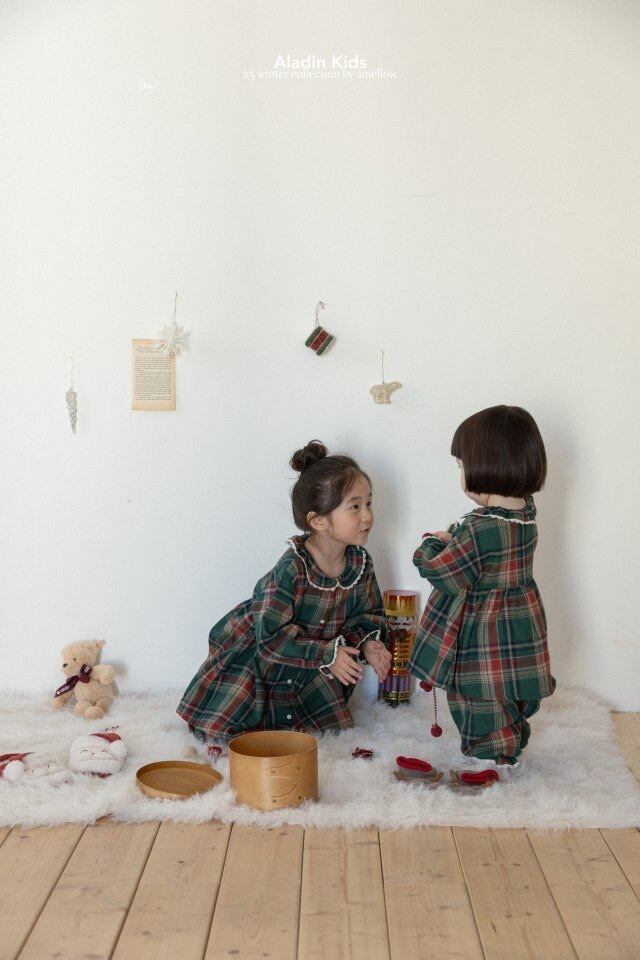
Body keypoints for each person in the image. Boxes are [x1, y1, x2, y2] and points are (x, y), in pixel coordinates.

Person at [177, 440, 391, 743]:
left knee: (324, 735)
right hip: (266, 659)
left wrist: (368, 643)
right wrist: (326, 654)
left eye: (369, 503)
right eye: (355, 507)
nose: (367, 516)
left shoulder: (360, 564)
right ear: (318, 520)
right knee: (238, 733)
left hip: (312, 667)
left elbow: (368, 615)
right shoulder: (293, 567)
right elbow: (270, 638)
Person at [408, 405, 555, 782]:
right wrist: (457, 537)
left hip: (482, 632)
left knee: (476, 693)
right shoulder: (525, 513)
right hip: (518, 624)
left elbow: (444, 573)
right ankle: (509, 742)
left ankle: (489, 760)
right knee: (509, 689)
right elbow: (486, 553)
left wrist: (430, 545)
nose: (461, 475)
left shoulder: (480, 528)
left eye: (462, 466)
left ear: (488, 466)